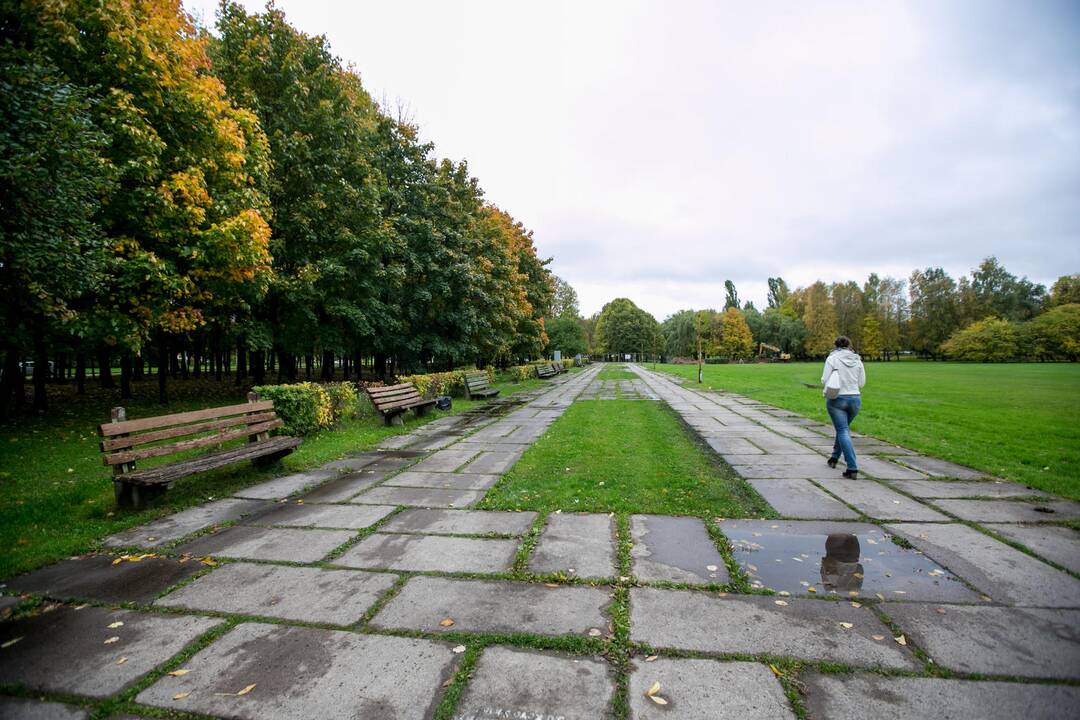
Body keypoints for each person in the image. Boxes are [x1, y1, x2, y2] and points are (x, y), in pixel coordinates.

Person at [822, 336, 866, 478]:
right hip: (855, 399)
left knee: (842, 430)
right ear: (849, 345)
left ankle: (852, 467)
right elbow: (862, 383)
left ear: (835, 346)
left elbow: (824, 379)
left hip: (837, 399)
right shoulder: (857, 359)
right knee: (843, 429)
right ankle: (834, 458)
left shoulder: (832, 358)